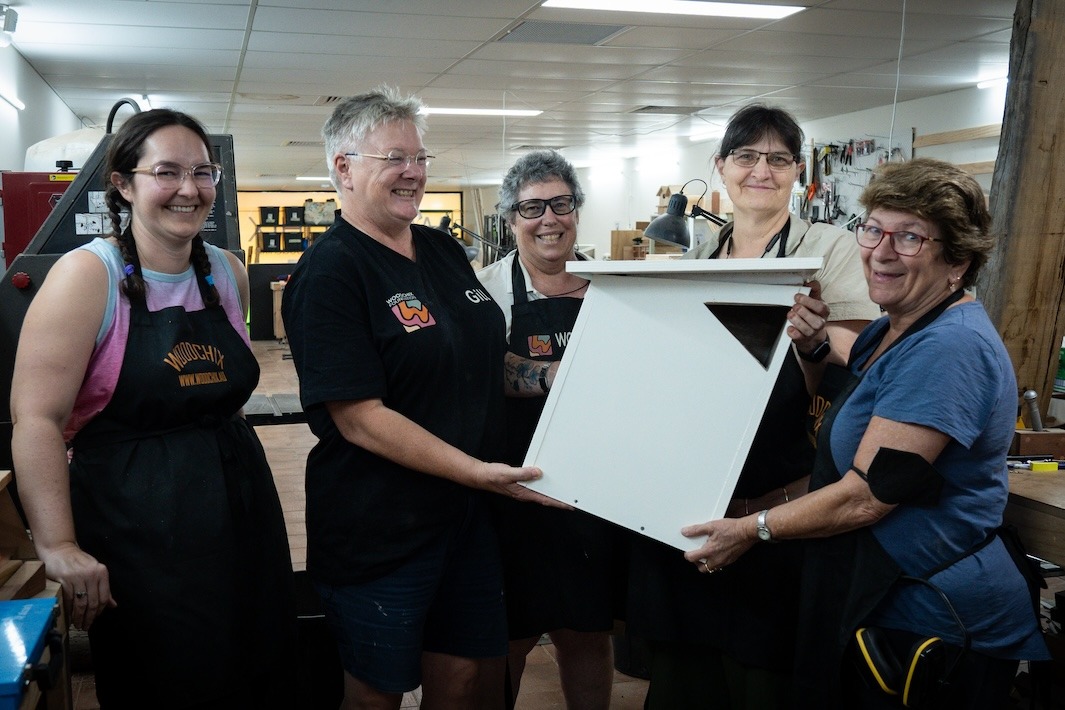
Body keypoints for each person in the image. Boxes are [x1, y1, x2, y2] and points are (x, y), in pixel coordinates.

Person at [682, 157, 1050, 708]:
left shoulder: (949, 348)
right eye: (873, 229)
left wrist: (751, 529)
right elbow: (858, 376)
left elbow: (865, 497)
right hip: (885, 604)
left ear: (959, 260)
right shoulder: (893, 330)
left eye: (910, 237)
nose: (881, 251)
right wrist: (814, 343)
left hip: (932, 622)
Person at [281, 86, 560, 710]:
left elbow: (484, 361)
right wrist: (477, 471)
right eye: (394, 158)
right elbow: (359, 419)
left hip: (466, 520)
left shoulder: (439, 249)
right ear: (344, 168)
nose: (413, 172)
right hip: (381, 528)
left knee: (462, 677)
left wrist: (555, 377)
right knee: (376, 693)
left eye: (420, 158)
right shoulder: (330, 272)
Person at [10, 108, 297, 708]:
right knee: (168, 681)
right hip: (136, 524)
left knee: (260, 668)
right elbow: (36, 420)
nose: (189, 189)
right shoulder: (86, 277)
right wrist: (59, 545)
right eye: (167, 172)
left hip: (241, 509)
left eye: (202, 172)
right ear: (123, 183)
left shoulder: (227, 272)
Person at [626, 103, 880, 709]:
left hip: (778, 494)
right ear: (720, 166)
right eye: (746, 156)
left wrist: (814, 336)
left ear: (797, 171)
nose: (761, 171)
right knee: (686, 673)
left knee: (763, 673)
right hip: (696, 491)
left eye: (778, 159)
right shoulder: (700, 255)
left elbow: (862, 360)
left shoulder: (828, 248)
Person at [477, 150, 625, 710]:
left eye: (561, 204)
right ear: (510, 218)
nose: (549, 220)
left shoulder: (614, 287)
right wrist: (554, 376)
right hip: (513, 487)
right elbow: (478, 374)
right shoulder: (485, 291)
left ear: (577, 211)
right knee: (508, 636)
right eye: (532, 208)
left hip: (594, 489)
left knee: (587, 631)